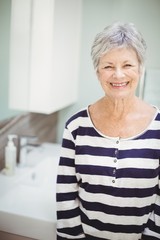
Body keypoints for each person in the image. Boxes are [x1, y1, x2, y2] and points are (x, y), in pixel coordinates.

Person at [56, 22, 160, 240]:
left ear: (140, 67)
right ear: (97, 71)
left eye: (127, 65)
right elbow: (66, 193)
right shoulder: (75, 127)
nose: (118, 75)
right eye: (108, 66)